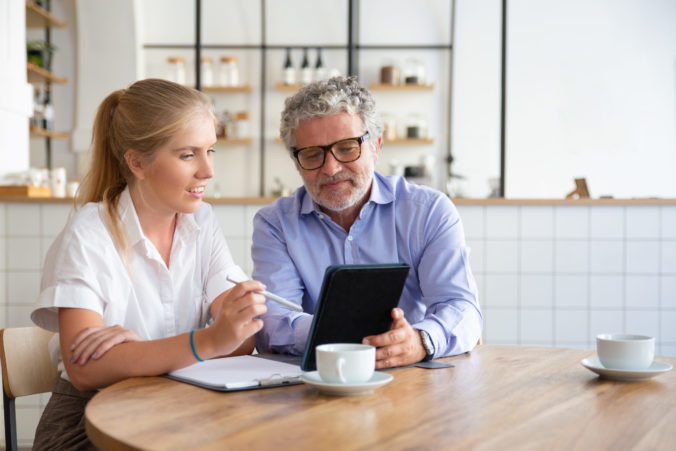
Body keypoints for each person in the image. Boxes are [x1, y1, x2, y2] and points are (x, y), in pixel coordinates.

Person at [30, 78, 267, 450]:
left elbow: (239, 337)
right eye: (188, 155)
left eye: (211, 151)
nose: (208, 171)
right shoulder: (89, 232)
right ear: (137, 162)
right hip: (88, 423)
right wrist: (207, 340)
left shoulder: (202, 222)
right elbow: (83, 369)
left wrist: (142, 352)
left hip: (174, 406)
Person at [252, 76, 482, 369]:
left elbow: (462, 309)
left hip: (412, 380)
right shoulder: (275, 225)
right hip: (319, 383)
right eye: (312, 155)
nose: (331, 168)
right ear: (297, 162)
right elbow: (272, 322)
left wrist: (420, 340)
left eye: (347, 148)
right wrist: (353, 333)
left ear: (376, 147)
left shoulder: (430, 212)